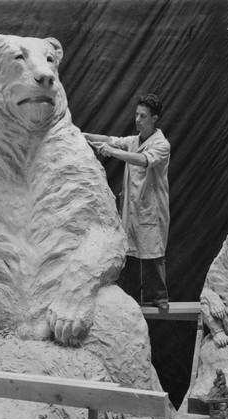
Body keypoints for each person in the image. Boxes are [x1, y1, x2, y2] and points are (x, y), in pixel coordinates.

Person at [83, 93, 170, 312]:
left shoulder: (161, 144)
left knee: (152, 254)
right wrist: (81, 134)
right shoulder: (133, 141)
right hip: (132, 208)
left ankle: (160, 297)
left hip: (151, 208)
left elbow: (143, 160)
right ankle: (129, 296)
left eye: (143, 116)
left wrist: (113, 152)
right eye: (136, 115)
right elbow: (110, 140)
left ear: (154, 118)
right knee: (129, 253)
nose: (137, 119)